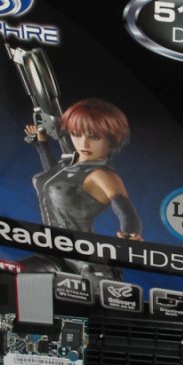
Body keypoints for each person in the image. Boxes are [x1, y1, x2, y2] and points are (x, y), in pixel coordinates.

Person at [24, 98, 142, 286]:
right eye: (76, 134)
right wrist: (42, 144)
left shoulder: (102, 175)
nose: (84, 144)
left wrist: (128, 238)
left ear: (111, 138)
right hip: (52, 252)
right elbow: (53, 181)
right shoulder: (67, 165)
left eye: (94, 137)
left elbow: (126, 212)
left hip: (85, 260)